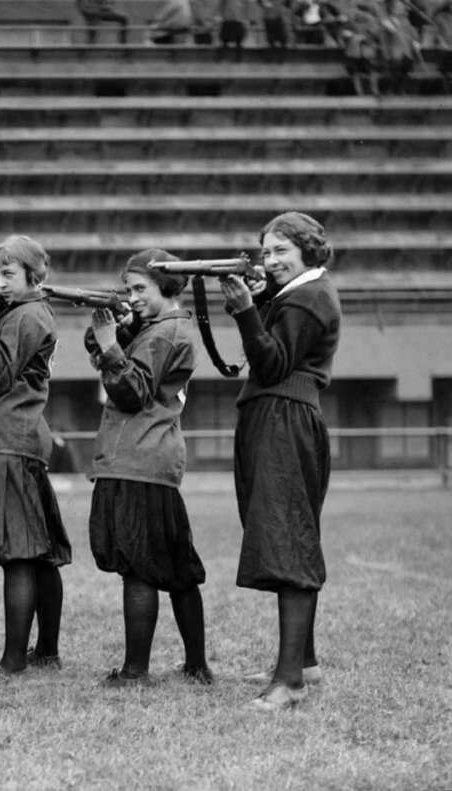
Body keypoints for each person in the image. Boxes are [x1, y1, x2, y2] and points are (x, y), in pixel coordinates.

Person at [219, 212, 341, 711]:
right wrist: (260, 299)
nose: (270, 261)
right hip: (278, 418)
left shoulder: (309, 298)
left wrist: (248, 311)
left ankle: (290, 681)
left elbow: (271, 363)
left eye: (280, 252)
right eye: (266, 252)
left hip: (285, 421)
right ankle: (302, 662)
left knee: (288, 542)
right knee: (282, 534)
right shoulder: (300, 294)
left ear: (308, 250)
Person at [86, 249, 213, 688]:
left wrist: (108, 343)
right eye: (129, 288)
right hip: (152, 459)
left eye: (141, 289)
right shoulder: (164, 327)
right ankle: (197, 666)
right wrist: (110, 334)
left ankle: (135, 671)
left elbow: (130, 392)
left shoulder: (165, 332)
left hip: (138, 459)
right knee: (176, 567)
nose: (132, 297)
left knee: (138, 568)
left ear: (168, 288)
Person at [0, 235, 72, 677]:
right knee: (37, 552)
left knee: (20, 555)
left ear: (34, 276)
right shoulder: (20, 313)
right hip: (15, 439)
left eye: (9, 274)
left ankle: (12, 661)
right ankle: (46, 650)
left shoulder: (27, 315)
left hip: (6, 439)